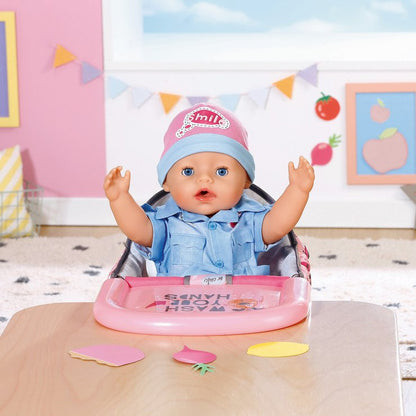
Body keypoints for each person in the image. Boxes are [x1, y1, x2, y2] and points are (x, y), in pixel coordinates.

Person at [104, 103, 314, 276]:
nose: (204, 178)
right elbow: (138, 231)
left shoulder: (249, 219)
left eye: (221, 171)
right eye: (188, 171)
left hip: (243, 305)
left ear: (245, 181)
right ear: (166, 183)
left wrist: (297, 190)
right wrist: (120, 198)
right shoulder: (166, 222)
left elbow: (278, 225)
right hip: (179, 307)